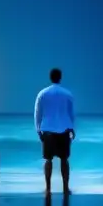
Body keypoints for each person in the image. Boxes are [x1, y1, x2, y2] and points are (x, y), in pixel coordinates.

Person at [34, 68, 75, 196]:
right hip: (64, 129)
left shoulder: (42, 93)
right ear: (60, 77)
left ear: (50, 77)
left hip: (47, 130)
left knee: (48, 160)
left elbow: (37, 113)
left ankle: (48, 188)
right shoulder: (67, 94)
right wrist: (73, 129)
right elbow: (71, 114)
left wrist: (38, 130)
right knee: (64, 160)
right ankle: (66, 188)